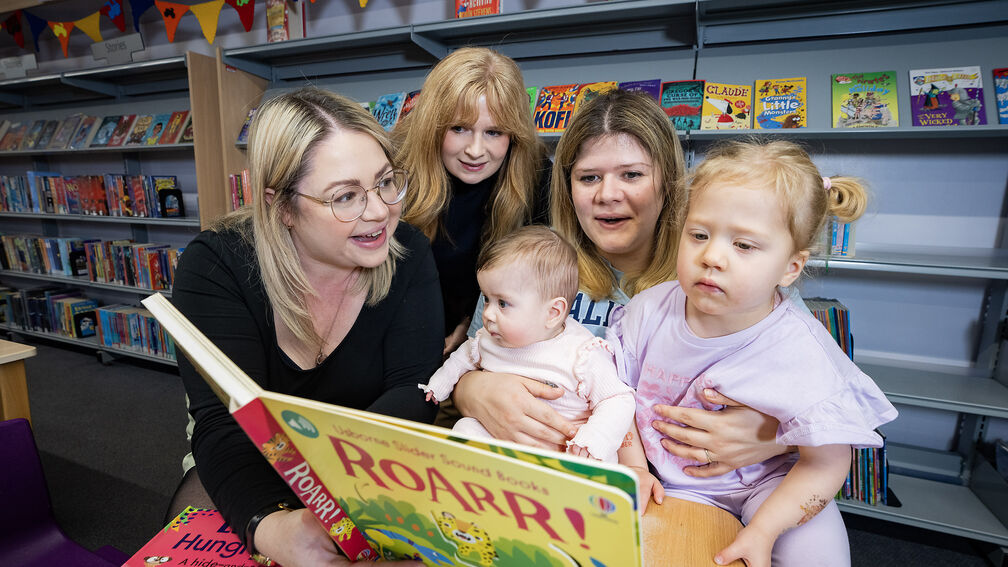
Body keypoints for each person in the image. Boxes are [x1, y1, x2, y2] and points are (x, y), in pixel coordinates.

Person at [453, 89, 790, 476]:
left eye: (631, 175)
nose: (607, 195)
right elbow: (468, 364)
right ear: (568, 188)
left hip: (688, 495)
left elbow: (833, 405)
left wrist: (776, 435)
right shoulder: (526, 265)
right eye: (588, 177)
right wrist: (473, 393)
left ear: (668, 181)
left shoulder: (723, 271)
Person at [170, 87, 441, 567]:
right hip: (249, 456)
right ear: (282, 208)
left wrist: (336, 493)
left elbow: (413, 388)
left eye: (385, 182)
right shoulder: (217, 265)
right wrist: (269, 528)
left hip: (366, 462)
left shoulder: (411, 253)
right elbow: (219, 419)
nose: (379, 211)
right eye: (345, 196)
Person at [612, 138, 898, 567]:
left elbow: (828, 461)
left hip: (767, 488)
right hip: (652, 473)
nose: (712, 257)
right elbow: (613, 392)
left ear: (791, 267)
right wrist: (633, 466)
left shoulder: (802, 347)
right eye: (699, 235)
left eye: (744, 246)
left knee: (822, 557)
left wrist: (766, 528)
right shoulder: (647, 309)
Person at [420, 225, 636, 462]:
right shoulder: (489, 338)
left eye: (503, 303)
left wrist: (594, 439)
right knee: (465, 428)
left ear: (553, 312)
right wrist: (439, 384)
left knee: (594, 462)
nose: (489, 313)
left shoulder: (582, 354)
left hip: (566, 451)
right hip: (505, 447)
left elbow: (618, 399)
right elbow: (464, 357)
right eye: (486, 298)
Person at [394, 46, 551, 356]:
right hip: (402, 336)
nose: (476, 150)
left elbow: (535, 283)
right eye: (459, 128)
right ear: (433, 125)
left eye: (494, 132)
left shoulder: (536, 176)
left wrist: (475, 326)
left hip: (490, 341)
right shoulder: (395, 171)